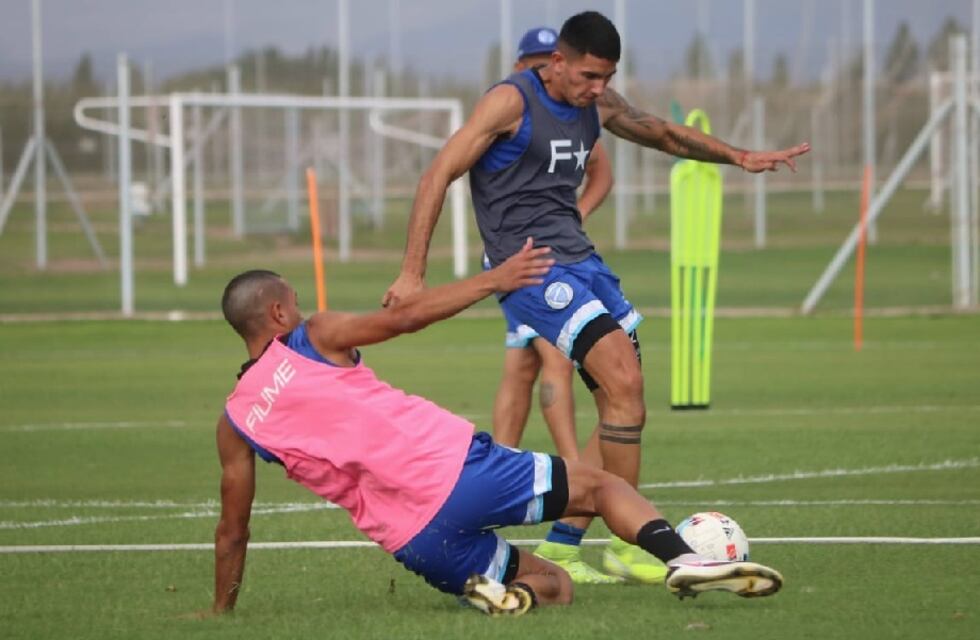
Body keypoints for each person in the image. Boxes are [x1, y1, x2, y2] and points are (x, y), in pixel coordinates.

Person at [382, 11, 809, 585]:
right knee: (620, 381)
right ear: (557, 62)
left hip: (583, 261)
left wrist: (738, 156)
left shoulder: (598, 103)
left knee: (625, 401)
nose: (599, 88)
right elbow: (436, 175)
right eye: (589, 75)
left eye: (607, 77)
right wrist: (412, 273)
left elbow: (661, 132)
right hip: (531, 267)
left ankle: (591, 544)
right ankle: (642, 543)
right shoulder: (509, 103)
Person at [208, 241, 783, 617]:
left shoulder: (235, 421)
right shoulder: (314, 336)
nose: (302, 311)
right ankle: (685, 559)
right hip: (458, 470)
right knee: (602, 486)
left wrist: (220, 613)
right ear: (278, 314)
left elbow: (233, 531)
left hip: (413, 538)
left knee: (556, 586)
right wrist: (494, 280)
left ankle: (507, 597)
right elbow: (404, 318)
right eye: (295, 304)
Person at [489, 26, 619, 586]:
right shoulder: (513, 105)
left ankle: (500, 474)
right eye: (537, 59)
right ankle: (572, 476)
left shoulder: (573, 110)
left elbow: (601, 169)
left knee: (529, 363)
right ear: (529, 63)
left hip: (550, 257)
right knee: (543, 364)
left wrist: (575, 215)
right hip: (529, 265)